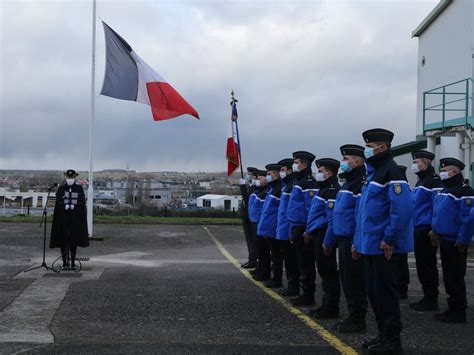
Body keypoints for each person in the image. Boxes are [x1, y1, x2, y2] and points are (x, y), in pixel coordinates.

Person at [355, 128, 414, 352]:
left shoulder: (391, 172)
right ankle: (382, 335)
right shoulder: (374, 173)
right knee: (374, 292)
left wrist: (389, 238)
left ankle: (392, 340)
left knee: (386, 294)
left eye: (369, 148)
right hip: (370, 246)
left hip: (383, 246)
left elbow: (403, 209)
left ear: (382, 147)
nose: (366, 151)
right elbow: (365, 214)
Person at [324, 144, 367, 333]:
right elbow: (337, 215)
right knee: (347, 281)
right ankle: (352, 316)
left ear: (357, 161)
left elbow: (361, 216)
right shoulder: (347, 183)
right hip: (342, 239)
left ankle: (358, 319)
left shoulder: (360, 184)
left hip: (352, 241)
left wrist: (357, 243)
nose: (342, 163)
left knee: (355, 281)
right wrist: (329, 239)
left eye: (345, 159)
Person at [431, 157, 474, 323]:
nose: (442, 173)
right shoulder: (444, 189)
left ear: (455, 172)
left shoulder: (464, 191)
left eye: (445, 170)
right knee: (448, 276)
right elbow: (439, 214)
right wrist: (434, 231)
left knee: (455, 276)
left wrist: (463, 240)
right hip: (444, 239)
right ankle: (452, 308)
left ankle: (459, 311)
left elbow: (468, 218)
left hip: (455, 241)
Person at [305, 158, 341, 319]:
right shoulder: (324, 188)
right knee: (325, 273)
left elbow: (331, 219)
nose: (317, 174)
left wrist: (328, 242)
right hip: (317, 233)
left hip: (324, 234)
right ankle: (326, 305)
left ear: (329, 173)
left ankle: (331, 307)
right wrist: (309, 230)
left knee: (329, 272)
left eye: (320, 171)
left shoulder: (332, 189)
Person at [409, 150, 442, 311]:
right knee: (422, 264)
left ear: (426, 163)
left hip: (427, 229)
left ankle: (431, 298)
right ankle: (427, 296)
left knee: (428, 264)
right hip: (418, 227)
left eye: (417, 162)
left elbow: (437, 206)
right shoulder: (421, 181)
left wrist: (435, 229)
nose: (414, 165)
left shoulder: (433, 181)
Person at [287, 151, 318, 306]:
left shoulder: (308, 183)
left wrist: (308, 230)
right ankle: (304, 292)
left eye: (297, 162)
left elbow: (311, 209)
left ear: (305, 165)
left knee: (306, 263)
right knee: (301, 262)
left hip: (304, 228)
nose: (295, 165)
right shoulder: (299, 182)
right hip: (297, 227)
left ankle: (308, 294)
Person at [50, 169, 89, 270]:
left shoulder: (79, 188)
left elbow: (81, 201)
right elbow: (58, 201)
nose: (70, 179)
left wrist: (74, 207)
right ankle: (64, 262)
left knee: (73, 240)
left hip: (75, 218)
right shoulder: (61, 188)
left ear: (75, 178)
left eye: (72, 177)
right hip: (63, 218)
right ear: (66, 178)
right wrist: (65, 206)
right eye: (68, 177)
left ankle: (72, 262)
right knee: (63, 240)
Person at [275, 158, 300, 296]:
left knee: (292, 261)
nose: (281, 173)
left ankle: (294, 286)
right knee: (289, 260)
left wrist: (291, 231)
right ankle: (291, 285)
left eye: (283, 170)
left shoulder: (292, 185)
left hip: (289, 229)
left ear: (290, 170)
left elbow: (293, 211)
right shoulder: (287, 185)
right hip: (284, 228)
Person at [257, 164, 283, 287]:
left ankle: (277, 278)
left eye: (269, 174)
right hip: (268, 227)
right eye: (266, 174)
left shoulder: (279, 188)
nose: (267, 176)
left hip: (273, 228)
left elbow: (277, 212)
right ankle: (273, 277)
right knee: (273, 253)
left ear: (276, 174)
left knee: (276, 255)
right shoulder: (273, 188)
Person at [249, 169, 271, 281]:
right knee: (260, 249)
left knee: (264, 250)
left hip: (261, 223)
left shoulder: (267, 192)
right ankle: (260, 268)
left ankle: (265, 271)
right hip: (256, 222)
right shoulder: (259, 191)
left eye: (259, 178)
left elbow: (265, 211)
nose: (257, 180)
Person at [239, 167, 259, 269]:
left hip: (251, 216)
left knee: (253, 239)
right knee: (249, 239)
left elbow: (247, 199)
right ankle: (252, 259)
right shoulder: (250, 186)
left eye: (250, 174)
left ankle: (254, 259)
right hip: (246, 215)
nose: (248, 176)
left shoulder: (256, 187)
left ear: (255, 176)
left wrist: (242, 186)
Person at [396, 165, 410, 300]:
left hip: (400, 232)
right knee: (400, 262)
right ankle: (401, 288)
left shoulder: (401, 188)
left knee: (400, 262)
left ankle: (401, 289)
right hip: (401, 232)